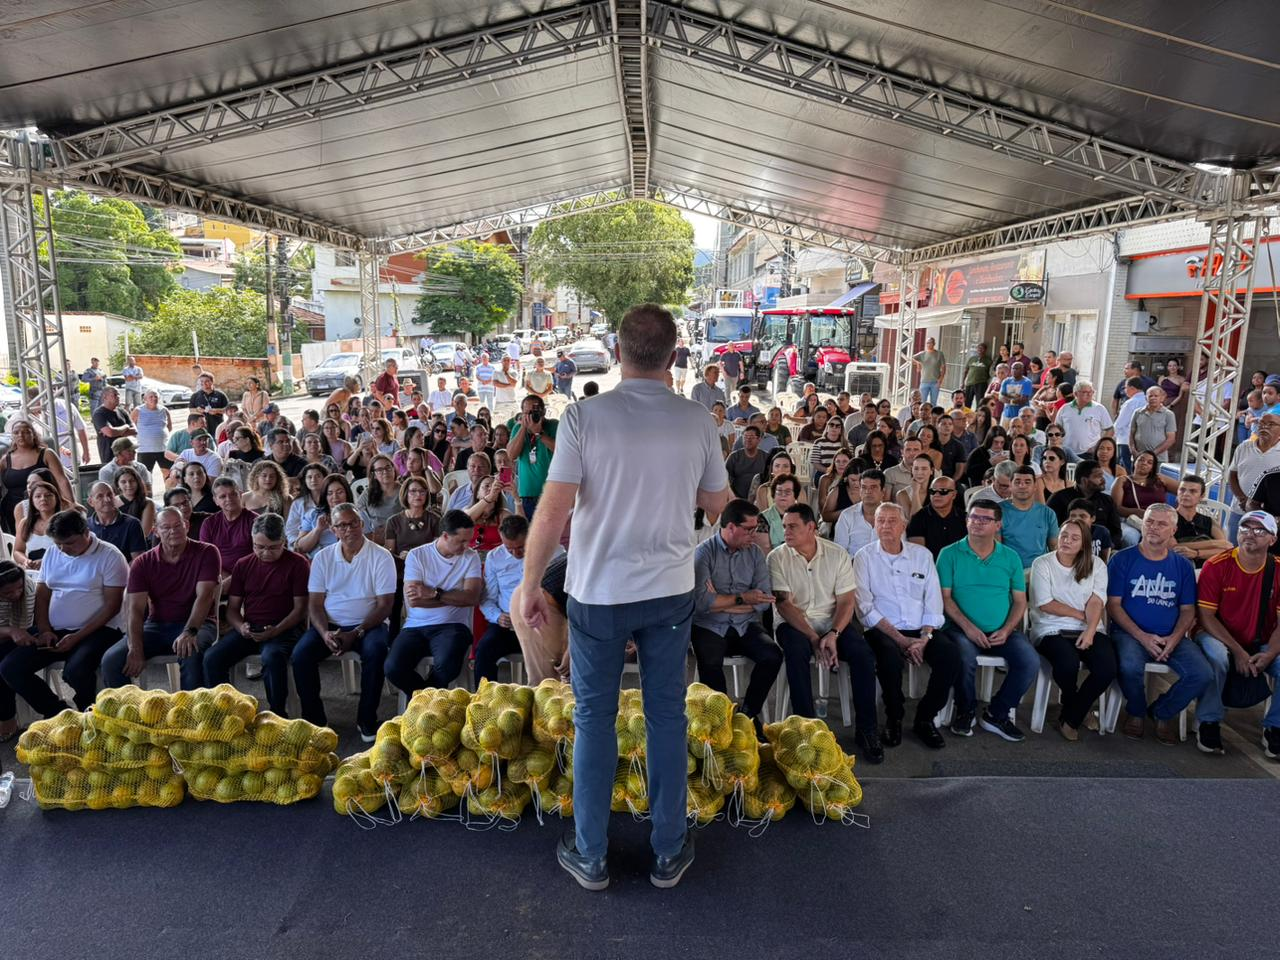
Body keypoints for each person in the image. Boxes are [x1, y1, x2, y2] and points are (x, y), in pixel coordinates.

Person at [519, 303, 729, 892]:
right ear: (674, 354)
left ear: (617, 350)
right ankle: (668, 851)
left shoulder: (583, 417)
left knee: (594, 718)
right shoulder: (698, 421)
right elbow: (719, 507)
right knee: (666, 715)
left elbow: (552, 511)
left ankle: (591, 854)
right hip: (669, 590)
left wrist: (531, 584)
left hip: (598, 592)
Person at [769, 503, 883, 760]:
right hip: (794, 624)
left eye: (792, 526)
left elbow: (846, 601)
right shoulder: (777, 557)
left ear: (811, 527)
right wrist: (813, 637)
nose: (786, 532)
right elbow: (784, 605)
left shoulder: (837, 554)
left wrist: (833, 633)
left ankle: (867, 730)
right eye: (784, 526)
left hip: (832, 622)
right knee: (796, 652)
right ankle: (806, 731)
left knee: (863, 654)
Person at [0, 511, 124, 722]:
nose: (63, 549)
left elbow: (112, 607)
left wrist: (76, 637)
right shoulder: (53, 552)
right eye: (58, 544)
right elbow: (42, 595)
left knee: (75, 671)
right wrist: (44, 629)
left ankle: (91, 717)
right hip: (56, 629)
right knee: (10, 667)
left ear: (86, 533)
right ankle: (58, 714)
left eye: (69, 543)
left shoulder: (110, 555)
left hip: (101, 630)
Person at [852, 502, 956, 748]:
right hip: (882, 629)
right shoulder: (864, 557)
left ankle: (925, 718)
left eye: (892, 521)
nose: (885, 526)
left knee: (951, 656)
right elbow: (864, 607)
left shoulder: (922, 555)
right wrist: (900, 639)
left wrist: (924, 638)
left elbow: (933, 600)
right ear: (874, 525)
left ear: (904, 526)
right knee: (889, 658)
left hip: (921, 630)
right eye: (880, 521)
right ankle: (894, 717)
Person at [291, 502, 395, 740]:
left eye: (353, 523)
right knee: (301, 655)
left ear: (362, 524)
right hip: (330, 624)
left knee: (376, 651)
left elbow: (385, 605)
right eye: (341, 526)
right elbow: (315, 604)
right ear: (333, 530)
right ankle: (316, 720)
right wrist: (324, 633)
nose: (348, 529)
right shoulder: (323, 557)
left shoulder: (381, 556)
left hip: (370, 624)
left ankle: (366, 719)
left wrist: (356, 632)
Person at [936, 499, 1038, 742]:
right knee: (963, 657)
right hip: (960, 629)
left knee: (1030, 661)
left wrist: (1007, 629)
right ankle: (966, 709)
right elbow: (945, 598)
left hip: (1002, 630)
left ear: (998, 525)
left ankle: (997, 713)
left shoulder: (1010, 557)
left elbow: (1020, 601)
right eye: (973, 517)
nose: (977, 523)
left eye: (985, 519)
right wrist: (969, 628)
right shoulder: (949, 554)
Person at [1107, 503, 1206, 744]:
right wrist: (1142, 637)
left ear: (1173, 530)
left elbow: (1188, 610)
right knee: (1129, 666)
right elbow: (1113, 606)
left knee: (1202, 673)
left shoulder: (1182, 566)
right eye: (1149, 521)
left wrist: (1174, 639)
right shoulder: (1122, 559)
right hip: (1129, 634)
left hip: (1171, 636)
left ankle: (1162, 712)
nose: (1153, 527)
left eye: (1162, 524)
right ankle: (1136, 711)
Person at [200, 512, 309, 716]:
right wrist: (241, 626)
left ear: (284, 542)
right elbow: (232, 609)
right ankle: (225, 713)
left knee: (272, 656)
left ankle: (277, 714)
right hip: (252, 628)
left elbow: (300, 609)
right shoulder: (243, 564)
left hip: (286, 628)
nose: (265, 553)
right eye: (259, 546)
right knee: (212, 657)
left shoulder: (298, 563)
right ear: (252, 541)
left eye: (272, 547)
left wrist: (276, 630)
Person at [1190, 510, 1280, 757]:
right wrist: (1238, 652)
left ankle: (1275, 727)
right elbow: (1206, 617)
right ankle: (1209, 721)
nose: (1250, 534)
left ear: (1272, 539)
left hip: (1262, 640)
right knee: (1218, 657)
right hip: (1215, 634)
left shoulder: (1277, 570)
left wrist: (1270, 653)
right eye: (1245, 528)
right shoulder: (1216, 565)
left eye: (1259, 530)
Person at [101, 507, 221, 690]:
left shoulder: (207, 552)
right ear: (155, 531)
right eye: (165, 527)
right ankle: (130, 707)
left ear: (187, 526)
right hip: (157, 625)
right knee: (111, 660)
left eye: (178, 525)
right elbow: (135, 609)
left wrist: (189, 631)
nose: (173, 531)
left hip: (199, 624)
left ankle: (190, 708)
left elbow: (204, 596)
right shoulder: (143, 563)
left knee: (190, 651)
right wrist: (135, 647)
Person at [690, 499, 782, 726]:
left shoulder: (755, 554)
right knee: (709, 661)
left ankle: (747, 715)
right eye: (749, 529)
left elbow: (763, 601)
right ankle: (722, 721)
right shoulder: (704, 553)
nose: (754, 534)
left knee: (772, 655)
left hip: (745, 624)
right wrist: (744, 597)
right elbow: (701, 603)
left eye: (756, 528)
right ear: (731, 527)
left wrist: (720, 601)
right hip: (709, 624)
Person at [1028, 517, 1115, 740]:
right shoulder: (1043, 563)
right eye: (1064, 535)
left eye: (1074, 538)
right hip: (1050, 628)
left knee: (1107, 668)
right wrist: (1081, 615)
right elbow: (1046, 604)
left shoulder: (1097, 564)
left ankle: (1072, 714)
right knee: (1067, 663)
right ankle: (1075, 710)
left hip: (1090, 627)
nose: (1066, 540)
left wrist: (1090, 630)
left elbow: (1096, 601)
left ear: (1084, 543)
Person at [385, 509, 482, 694]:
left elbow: (472, 597)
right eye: (461, 541)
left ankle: (422, 702)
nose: (466, 546)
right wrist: (455, 597)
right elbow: (415, 601)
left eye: (468, 540)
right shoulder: (418, 555)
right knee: (393, 668)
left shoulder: (471, 557)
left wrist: (434, 593)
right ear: (445, 536)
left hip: (453, 625)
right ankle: (429, 701)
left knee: (447, 666)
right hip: (415, 625)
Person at [471, 515, 529, 682]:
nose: (516, 553)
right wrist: (498, 616)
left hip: (539, 625)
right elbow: (487, 598)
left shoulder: (549, 551)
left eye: (520, 547)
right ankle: (487, 697)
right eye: (509, 549)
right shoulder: (495, 557)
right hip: (506, 624)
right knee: (484, 650)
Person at [1048, 459, 1124, 549]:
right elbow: (1050, 529)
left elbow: (1116, 532)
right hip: (1068, 547)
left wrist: (1108, 547)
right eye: (1098, 476)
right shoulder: (1059, 498)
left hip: (1101, 548)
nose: (1103, 480)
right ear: (1084, 481)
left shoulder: (1107, 500)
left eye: (1102, 475)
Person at [507, 395, 557, 519]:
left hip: (550, 493)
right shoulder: (518, 428)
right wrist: (523, 428)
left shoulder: (554, 425)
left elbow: (561, 450)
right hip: (527, 494)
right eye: (527, 413)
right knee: (528, 530)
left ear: (543, 411)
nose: (531, 416)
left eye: (535, 412)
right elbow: (511, 455)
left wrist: (539, 433)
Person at [1000, 465, 1060, 568]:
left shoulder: (1048, 513)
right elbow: (995, 550)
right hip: (1009, 569)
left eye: (1027, 482)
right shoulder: (998, 511)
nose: (1022, 486)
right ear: (1010, 485)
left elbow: (1054, 548)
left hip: (1040, 570)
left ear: (1035, 486)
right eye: (1017, 482)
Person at [199, 477, 258, 581]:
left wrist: (235, 579)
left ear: (240, 494)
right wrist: (228, 579)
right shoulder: (209, 524)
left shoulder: (255, 521)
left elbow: (260, 555)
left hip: (250, 575)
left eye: (233, 494)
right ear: (215, 501)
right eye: (222, 496)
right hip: (218, 577)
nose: (229, 499)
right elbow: (206, 558)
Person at [1170, 474, 1232, 565]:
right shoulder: (1169, 518)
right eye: (1182, 490)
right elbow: (1172, 547)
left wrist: (1196, 553)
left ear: (1201, 496)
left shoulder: (1209, 521)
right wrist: (1214, 543)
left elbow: (1226, 549)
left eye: (1193, 491)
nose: (1186, 494)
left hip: (1208, 566)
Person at [906, 476, 965, 559]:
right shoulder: (918, 518)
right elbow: (918, 554)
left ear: (954, 494)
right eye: (932, 491)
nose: (936, 495)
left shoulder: (964, 518)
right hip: (930, 565)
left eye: (943, 491)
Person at [86, 480, 147, 561]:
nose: (107, 499)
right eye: (100, 496)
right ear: (90, 502)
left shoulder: (132, 524)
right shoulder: (85, 527)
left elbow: (138, 560)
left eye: (110, 495)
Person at [834, 468, 887, 559]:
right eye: (864, 487)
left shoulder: (894, 516)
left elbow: (899, 548)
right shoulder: (847, 516)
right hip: (853, 565)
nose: (868, 492)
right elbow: (840, 551)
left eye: (873, 487)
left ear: (883, 492)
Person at [1056, 380, 1113, 455]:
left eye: (1091, 392)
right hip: (1067, 452)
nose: (1089, 394)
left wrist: (1098, 446)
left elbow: (1110, 429)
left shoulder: (1099, 408)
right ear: (1076, 394)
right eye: (1085, 392)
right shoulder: (1065, 408)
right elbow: (1056, 429)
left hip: (1090, 453)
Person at [1129, 385, 1178, 463]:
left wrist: (1152, 454)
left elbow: (1171, 439)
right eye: (1150, 396)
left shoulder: (1168, 414)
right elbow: (1131, 434)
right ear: (1146, 398)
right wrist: (1133, 450)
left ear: (1162, 398)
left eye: (1156, 396)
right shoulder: (1138, 412)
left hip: (1158, 459)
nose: (1153, 398)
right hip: (1138, 458)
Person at [91, 386, 137, 464]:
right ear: (105, 397)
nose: (118, 397)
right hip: (109, 454)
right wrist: (126, 426)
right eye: (114, 395)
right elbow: (110, 432)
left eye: (118, 394)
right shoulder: (99, 413)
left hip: (126, 453)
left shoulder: (122, 411)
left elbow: (134, 431)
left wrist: (116, 431)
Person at [1112, 377, 1147, 469]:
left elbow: (1120, 423)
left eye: (1125, 387)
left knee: (1125, 468)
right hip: (1142, 440)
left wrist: (1112, 435)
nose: (1125, 390)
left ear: (1132, 388)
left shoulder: (1131, 403)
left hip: (1125, 439)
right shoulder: (1147, 401)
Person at [189, 373, 230, 439]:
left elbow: (228, 410)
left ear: (212, 382)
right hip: (201, 428)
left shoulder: (220, 395)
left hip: (217, 427)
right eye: (202, 381)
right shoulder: (195, 395)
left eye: (207, 381)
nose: (204, 383)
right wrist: (198, 410)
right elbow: (191, 410)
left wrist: (217, 411)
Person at [913, 337, 947, 406]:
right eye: (927, 343)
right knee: (922, 402)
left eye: (930, 343)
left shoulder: (939, 354)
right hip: (924, 382)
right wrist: (918, 363)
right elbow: (910, 358)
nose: (928, 344)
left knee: (933, 403)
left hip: (935, 382)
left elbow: (944, 368)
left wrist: (940, 380)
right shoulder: (922, 354)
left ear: (934, 343)